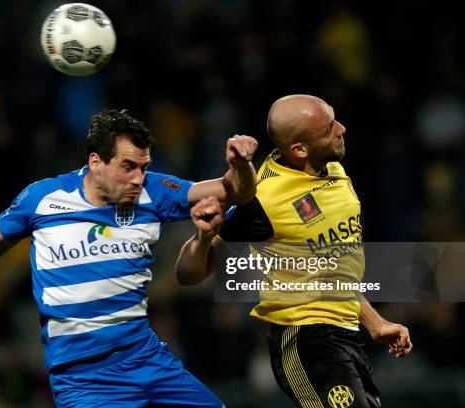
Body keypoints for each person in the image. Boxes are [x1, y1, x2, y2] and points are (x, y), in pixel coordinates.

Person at [0, 109, 258, 407]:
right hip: (84, 380)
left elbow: (234, 192)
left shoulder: (154, 191)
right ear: (95, 162)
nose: (138, 177)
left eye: (144, 166)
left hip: (148, 360)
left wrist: (240, 165)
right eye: (128, 166)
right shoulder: (43, 199)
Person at [176, 95, 413, 408]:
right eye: (329, 128)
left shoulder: (337, 173)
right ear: (299, 149)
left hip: (347, 338)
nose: (342, 129)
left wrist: (375, 323)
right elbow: (187, 274)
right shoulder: (263, 199)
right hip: (305, 341)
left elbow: (332, 270)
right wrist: (204, 238)